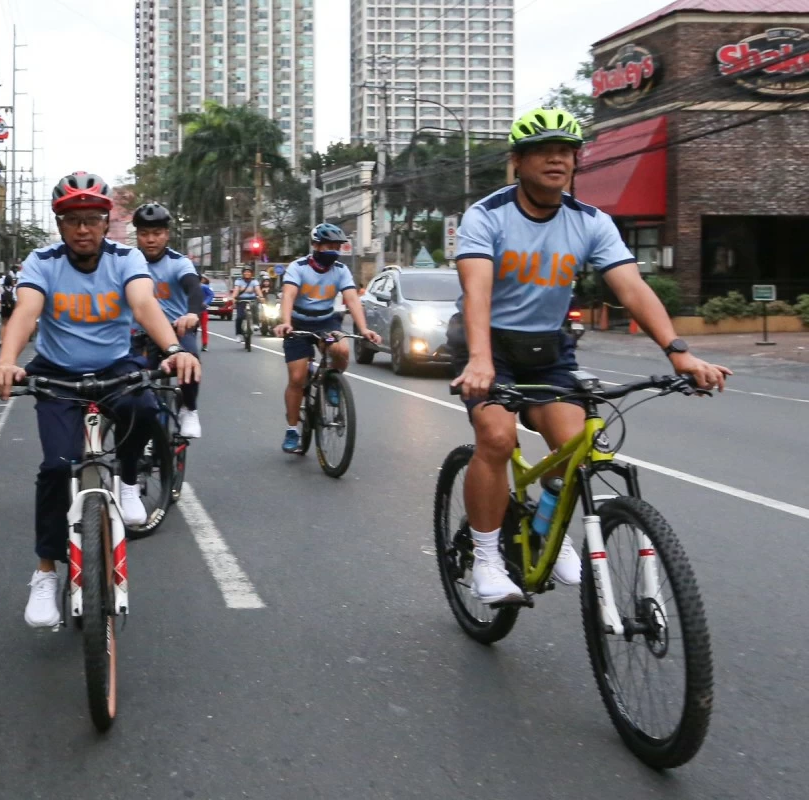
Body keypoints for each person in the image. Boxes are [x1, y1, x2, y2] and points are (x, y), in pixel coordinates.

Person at [449, 108, 731, 604]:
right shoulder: (487, 215)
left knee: (576, 445)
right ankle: (487, 557)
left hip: (547, 348)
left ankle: (545, 530)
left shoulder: (591, 222)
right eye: (543, 150)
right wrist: (479, 360)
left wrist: (679, 352)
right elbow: (476, 290)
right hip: (488, 344)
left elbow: (633, 290)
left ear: (577, 161)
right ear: (518, 161)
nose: (557, 158)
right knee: (496, 437)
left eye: (566, 151)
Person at [0, 171, 200, 628]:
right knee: (54, 468)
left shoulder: (126, 259)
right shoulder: (42, 261)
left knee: (146, 405)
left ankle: (125, 482)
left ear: (107, 223)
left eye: (91, 219)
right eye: (71, 220)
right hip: (57, 373)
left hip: (113, 365)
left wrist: (175, 349)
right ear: (59, 225)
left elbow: (144, 306)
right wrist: (7, 359)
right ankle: (45, 572)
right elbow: (26, 312)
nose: (82, 228)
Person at [273, 224, 380, 453]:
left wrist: (364, 329)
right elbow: (289, 295)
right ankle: (292, 429)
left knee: (341, 350)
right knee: (297, 378)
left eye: (337, 246)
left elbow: (352, 299)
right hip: (298, 324)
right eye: (329, 246)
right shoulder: (298, 267)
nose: (334, 250)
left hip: (326, 323)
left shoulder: (341, 270)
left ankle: (331, 379)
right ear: (315, 246)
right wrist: (286, 322)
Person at [131, 202, 204, 438]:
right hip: (138, 334)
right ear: (137, 235)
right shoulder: (127, 263)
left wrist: (192, 314)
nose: (150, 239)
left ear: (167, 234)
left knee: (190, 358)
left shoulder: (178, 262)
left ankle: (189, 409)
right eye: (144, 234)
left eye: (157, 233)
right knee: (127, 380)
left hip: (176, 331)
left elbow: (194, 289)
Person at [230, 266, 262, 341]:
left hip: (252, 299)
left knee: (255, 308)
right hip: (241, 300)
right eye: (245, 272)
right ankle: (238, 335)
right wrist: (233, 298)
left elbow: (258, 290)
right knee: (239, 317)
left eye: (249, 272)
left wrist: (261, 297)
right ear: (242, 273)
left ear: (251, 273)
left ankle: (255, 324)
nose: (247, 273)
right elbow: (236, 290)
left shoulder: (254, 281)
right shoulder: (238, 281)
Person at [199, 275, 214, 352]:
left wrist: (205, 302)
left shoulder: (204, 287)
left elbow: (211, 294)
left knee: (204, 327)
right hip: (192, 310)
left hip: (202, 309)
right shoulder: (190, 286)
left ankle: (204, 344)